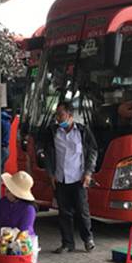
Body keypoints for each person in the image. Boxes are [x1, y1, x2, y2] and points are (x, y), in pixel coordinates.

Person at [43, 101, 97, 253]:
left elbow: (93, 151)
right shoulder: (53, 132)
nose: (58, 119)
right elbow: (48, 153)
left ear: (70, 115)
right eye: (57, 115)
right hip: (60, 178)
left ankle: (88, 239)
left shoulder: (83, 131)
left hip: (78, 178)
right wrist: (50, 174)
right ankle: (67, 243)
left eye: (61, 115)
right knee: (64, 213)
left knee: (82, 210)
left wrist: (88, 173)